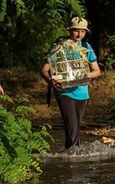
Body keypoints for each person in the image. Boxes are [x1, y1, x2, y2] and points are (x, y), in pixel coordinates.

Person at [40, 17, 101, 149]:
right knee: (72, 126)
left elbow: (97, 71)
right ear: (70, 31)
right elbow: (44, 70)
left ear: (85, 33)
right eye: (76, 31)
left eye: (82, 32)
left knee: (75, 129)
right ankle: (74, 159)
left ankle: (71, 158)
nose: (79, 34)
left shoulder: (86, 47)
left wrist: (88, 75)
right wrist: (51, 82)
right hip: (64, 91)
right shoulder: (59, 47)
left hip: (82, 92)